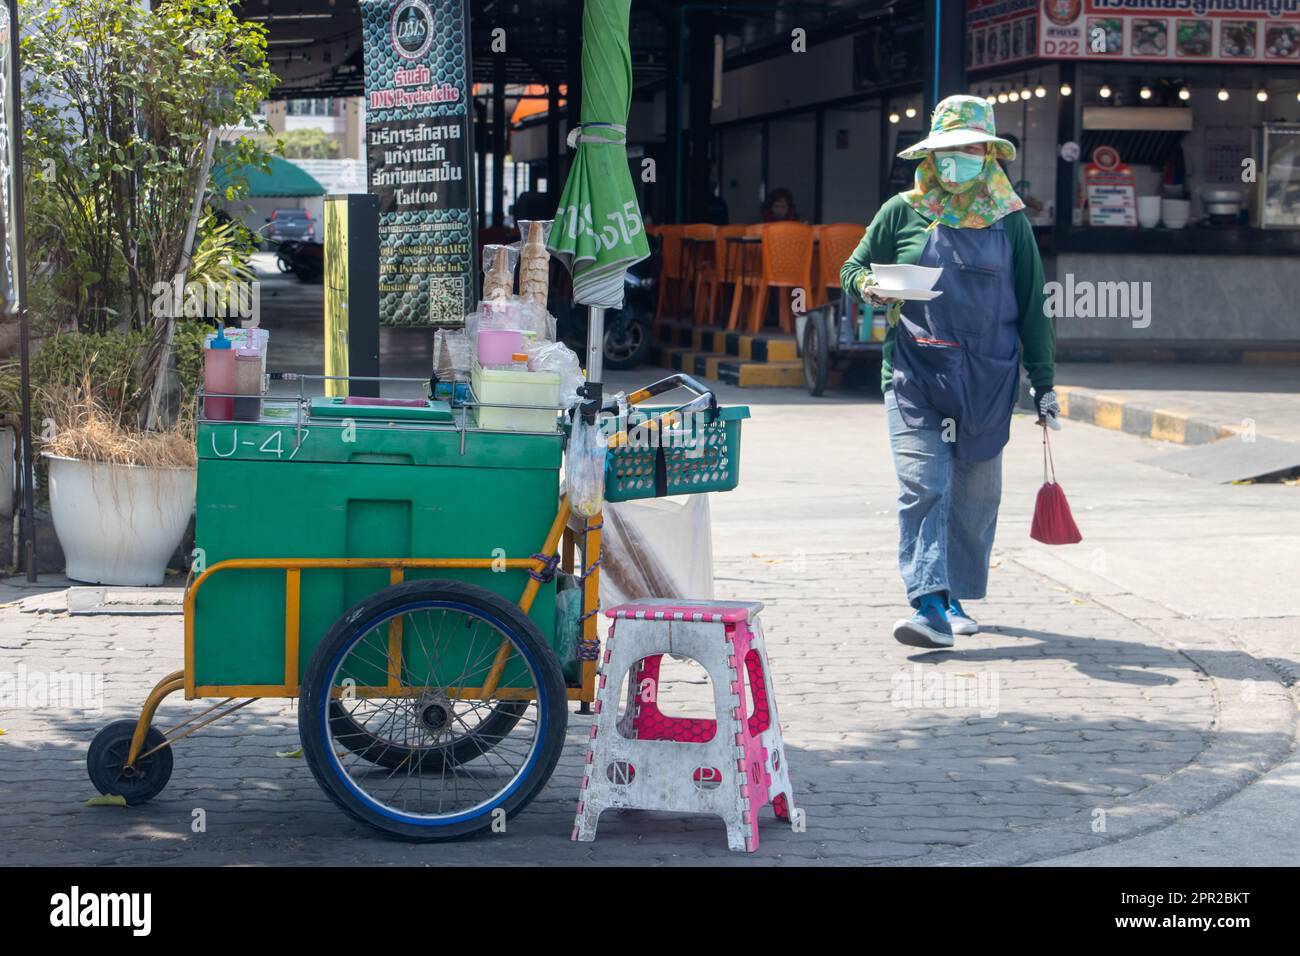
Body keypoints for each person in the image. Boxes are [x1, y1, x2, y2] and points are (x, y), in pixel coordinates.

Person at [840, 95, 1059, 649]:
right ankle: (929, 603)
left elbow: (1033, 306)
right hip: (915, 373)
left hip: (987, 379)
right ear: (929, 157)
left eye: (968, 150)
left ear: (988, 154)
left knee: (975, 498)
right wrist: (868, 286)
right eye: (946, 151)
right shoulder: (902, 211)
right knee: (923, 486)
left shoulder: (1011, 223)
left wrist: (1045, 383)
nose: (956, 160)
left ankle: (955, 594)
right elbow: (852, 267)